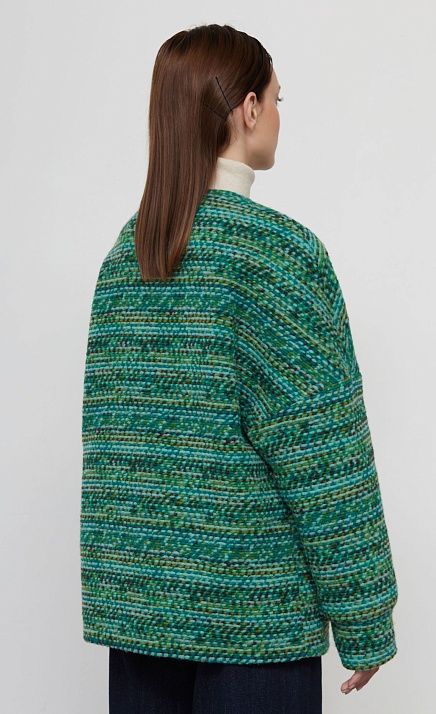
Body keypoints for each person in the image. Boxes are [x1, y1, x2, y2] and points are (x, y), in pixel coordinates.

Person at [80, 23, 398, 713]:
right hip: (252, 627)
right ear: (247, 109)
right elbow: (323, 455)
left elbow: (116, 452)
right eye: (277, 98)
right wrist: (366, 615)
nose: (279, 114)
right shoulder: (278, 256)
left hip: (138, 625)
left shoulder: (125, 258)